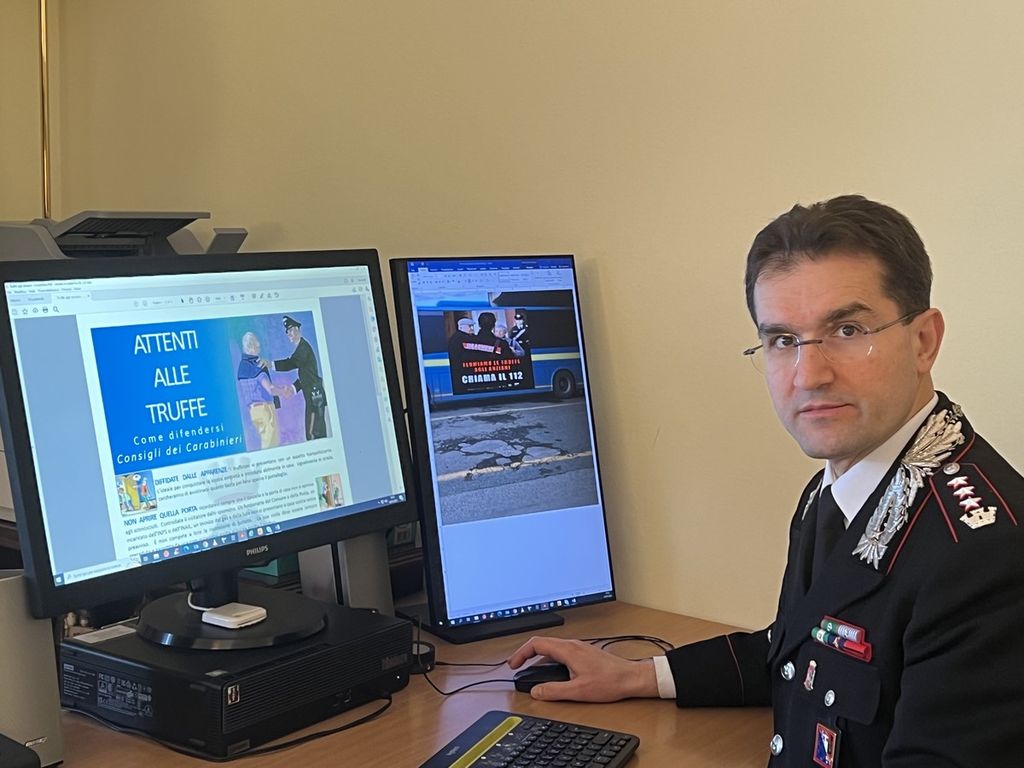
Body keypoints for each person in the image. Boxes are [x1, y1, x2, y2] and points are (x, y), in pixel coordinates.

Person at [509, 195, 1024, 766]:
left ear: (923, 341)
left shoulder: (986, 555)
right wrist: (637, 675)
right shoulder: (842, 483)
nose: (809, 375)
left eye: (847, 329)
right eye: (782, 340)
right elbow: (810, 645)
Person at [268, 315, 327, 440]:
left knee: (315, 433)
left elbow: (291, 363)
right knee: (313, 432)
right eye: (287, 332)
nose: (289, 334)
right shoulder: (302, 348)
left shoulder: (303, 348)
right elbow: (306, 375)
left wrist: (270, 364)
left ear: (298, 329)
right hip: (312, 394)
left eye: (291, 330)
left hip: (314, 395)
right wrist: (293, 389)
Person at [237, 330, 281, 449]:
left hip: (254, 411)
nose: (259, 345)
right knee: (271, 444)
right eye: (257, 342)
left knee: (267, 442)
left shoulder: (242, 366)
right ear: (251, 346)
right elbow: (270, 389)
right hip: (265, 409)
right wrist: (284, 391)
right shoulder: (257, 365)